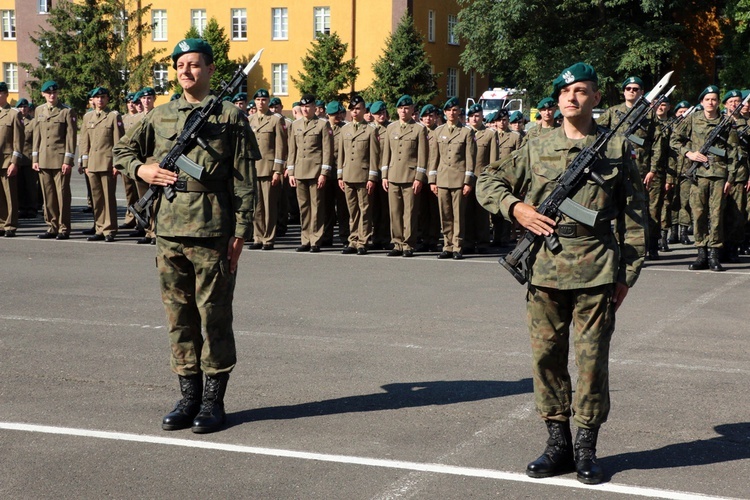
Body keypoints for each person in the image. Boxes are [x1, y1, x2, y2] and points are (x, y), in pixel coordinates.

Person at [476, 62, 647, 485]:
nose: (573, 98)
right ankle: (558, 443)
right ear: (557, 100)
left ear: (595, 98)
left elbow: (636, 216)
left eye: (583, 91)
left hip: (597, 267)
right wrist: (517, 208)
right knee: (547, 358)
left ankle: (587, 447)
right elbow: (487, 181)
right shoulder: (536, 145)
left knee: (591, 363)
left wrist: (627, 274)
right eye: (566, 92)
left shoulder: (616, 148)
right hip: (546, 267)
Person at [113, 38, 258, 434]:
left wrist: (241, 233)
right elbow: (122, 152)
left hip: (213, 231)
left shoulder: (229, 117)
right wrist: (144, 170)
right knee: (179, 318)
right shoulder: (159, 117)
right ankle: (188, 396)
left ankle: (213, 401)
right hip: (168, 231)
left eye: (194, 64)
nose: (185, 71)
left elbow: (245, 181)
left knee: (213, 317)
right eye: (180, 65)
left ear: (210, 70)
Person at [670, 85, 739, 271]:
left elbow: (733, 152)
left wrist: (730, 179)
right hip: (698, 175)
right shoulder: (692, 119)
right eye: (707, 99)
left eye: (714, 99)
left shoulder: (726, 122)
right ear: (702, 102)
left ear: (718, 103)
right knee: (698, 213)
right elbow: (674, 140)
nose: (711, 102)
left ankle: (714, 255)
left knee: (716, 215)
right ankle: (701, 253)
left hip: (718, 175)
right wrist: (689, 154)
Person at [598, 76, 663, 260]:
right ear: (624, 91)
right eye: (628, 88)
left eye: (636, 89)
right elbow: (597, 134)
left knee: (639, 210)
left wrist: (653, 169)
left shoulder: (649, 114)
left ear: (642, 92)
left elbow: (658, 144)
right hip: (616, 168)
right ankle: (616, 247)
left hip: (641, 171)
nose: (632, 91)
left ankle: (642, 247)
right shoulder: (612, 112)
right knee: (615, 208)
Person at [428, 97, 476, 259]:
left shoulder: (466, 132)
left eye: (455, 110)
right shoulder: (438, 131)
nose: (452, 113)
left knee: (458, 215)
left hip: (458, 180)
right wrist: (432, 181)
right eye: (449, 110)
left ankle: (457, 246)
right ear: (445, 112)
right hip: (442, 180)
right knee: (445, 214)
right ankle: (447, 245)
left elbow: (470, 159)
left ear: (459, 112)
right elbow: (433, 158)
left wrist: (467, 182)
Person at [381, 95, 429, 257]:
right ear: (397, 110)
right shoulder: (391, 128)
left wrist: (419, 177)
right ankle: (397, 242)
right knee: (394, 211)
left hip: (410, 176)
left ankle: (408, 243)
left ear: (412, 110)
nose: (403, 111)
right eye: (401, 108)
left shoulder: (419, 129)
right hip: (393, 175)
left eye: (407, 108)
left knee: (409, 212)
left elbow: (422, 156)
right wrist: (384, 176)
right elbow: (386, 154)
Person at [287, 94, 334, 252]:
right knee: (304, 207)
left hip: (315, 171)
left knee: (317, 206)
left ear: (315, 107)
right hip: (300, 170)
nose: (305, 109)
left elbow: (327, 150)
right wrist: (291, 171)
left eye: (308, 106)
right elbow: (292, 150)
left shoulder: (322, 124)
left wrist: (324, 173)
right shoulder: (296, 125)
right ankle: (305, 238)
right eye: (303, 106)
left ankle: (315, 239)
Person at [79, 87, 124, 242]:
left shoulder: (113, 116)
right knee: (96, 198)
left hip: (107, 163)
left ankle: (109, 229)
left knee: (108, 198)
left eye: (103, 97)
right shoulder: (88, 117)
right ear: (93, 99)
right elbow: (85, 142)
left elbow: (118, 143)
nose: (100, 100)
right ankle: (99, 227)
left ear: (107, 99)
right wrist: (84, 163)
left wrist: (117, 164)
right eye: (97, 97)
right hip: (92, 164)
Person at [33, 80, 77, 240]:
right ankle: (52, 226)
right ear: (43, 94)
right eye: (49, 93)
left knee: (62, 195)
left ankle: (63, 228)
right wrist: (35, 158)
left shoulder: (66, 111)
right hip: (43, 159)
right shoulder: (39, 111)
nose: (52, 95)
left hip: (60, 160)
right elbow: (36, 136)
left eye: (54, 93)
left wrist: (68, 160)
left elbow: (71, 138)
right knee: (48, 196)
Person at [337, 95, 380, 254]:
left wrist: (372, 177)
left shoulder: (370, 130)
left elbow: (374, 156)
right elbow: (341, 154)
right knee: (352, 210)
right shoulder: (344, 129)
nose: (354, 112)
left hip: (363, 175)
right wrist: (340, 176)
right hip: (348, 175)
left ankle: (363, 241)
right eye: (352, 109)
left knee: (364, 210)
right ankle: (353, 240)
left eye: (358, 109)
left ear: (363, 110)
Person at [247, 88, 287, 250]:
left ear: (268, 101)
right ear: (255, 101)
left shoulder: (276, 120)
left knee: (269, 206)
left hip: (269, 169)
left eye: (264, 100)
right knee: (256, 206)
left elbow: (280, 147)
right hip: (254, 168)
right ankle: (258, 236)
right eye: (258, 100)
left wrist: (278, 170)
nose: (261, 102)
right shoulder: (250, 120)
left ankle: (268, 238)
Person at [464, 103, 498, 253]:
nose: (474, 118)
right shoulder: (464, 132)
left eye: (477, 115)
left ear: (482, 116)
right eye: (471, 116)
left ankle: (483, 242)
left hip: (481, 179)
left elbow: (492, 161)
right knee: (467, 212)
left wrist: (489, 180)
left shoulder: (490, 134)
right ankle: (468, 241)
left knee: (482, 213)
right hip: (466, 179)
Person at [0, 82, 24, 237]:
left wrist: (14, 162)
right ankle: (1, 223)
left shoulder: (14, 114)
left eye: (0, 93)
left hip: (7, 160)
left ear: (6, 94)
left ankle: (10, 225)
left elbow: (18, 141)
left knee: (10, 195)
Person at [15, 98, 37, 220]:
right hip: (18, 159)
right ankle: (22, 208)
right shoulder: (16, 120)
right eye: (21, 107)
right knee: (20, 186)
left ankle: (32, 208)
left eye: (25, 107)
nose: (23, 109)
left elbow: (36, 141)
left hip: (29, 159)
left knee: (31, 186)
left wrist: (35, 158)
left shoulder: (33, 122)